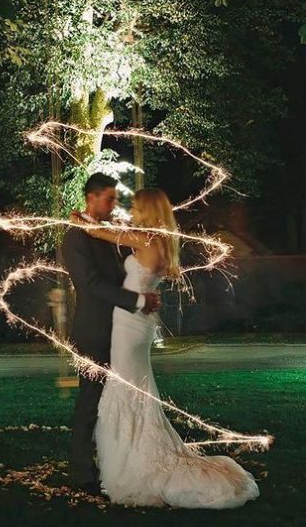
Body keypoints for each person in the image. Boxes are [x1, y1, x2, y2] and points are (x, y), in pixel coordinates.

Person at [73, 186, 260, 508]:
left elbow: (98, 231)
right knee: (133, 391)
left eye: (134, 207)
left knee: (128, 392)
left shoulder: (148, 241)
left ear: (148, 211)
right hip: (136, 324)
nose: (129, 211)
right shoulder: (158, 241)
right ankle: (134, 452)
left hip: (130, 327)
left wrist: (81, 220)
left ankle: (137, 464)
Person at [61, 173, 160, 496]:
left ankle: (116, 462)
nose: (114, 205)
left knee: (115, 401)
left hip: (121, 330)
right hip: (94, 330)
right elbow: (90, 284)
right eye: (109, 199)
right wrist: (137, 300)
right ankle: (81, 472)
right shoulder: (76, 237)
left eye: (116, 199)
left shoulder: (107, 234)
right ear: (91, 197)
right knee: (90, 400)